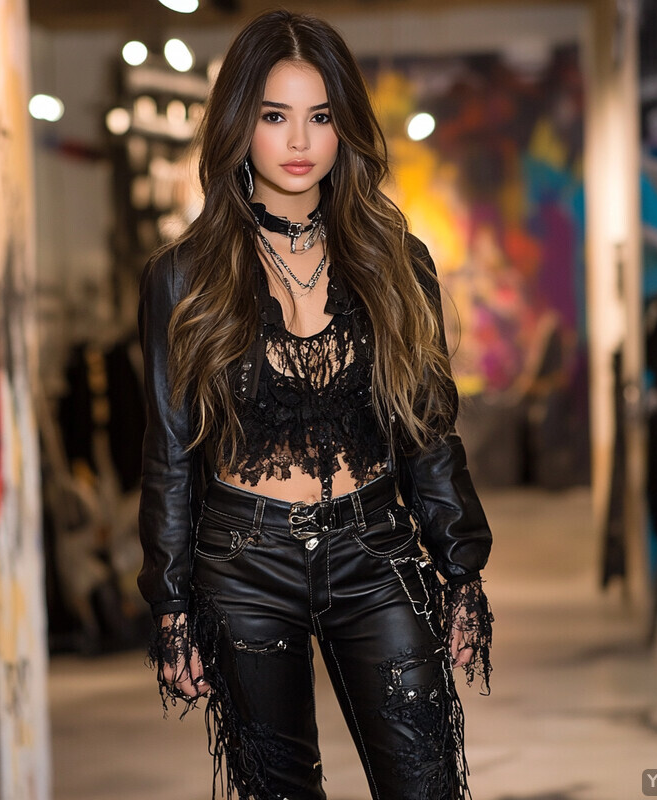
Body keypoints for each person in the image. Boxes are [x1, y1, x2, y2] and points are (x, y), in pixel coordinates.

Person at [137, 10, 493, 800]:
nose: (299, 142)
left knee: (426, 782)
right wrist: (169, 605)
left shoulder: (395, 261)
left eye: (321, 117)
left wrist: (461, 568)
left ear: (344, 130)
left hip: (376, 551)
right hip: (242, 563)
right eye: (275, 116)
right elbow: (169, 452)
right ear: (241, 125)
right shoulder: (182, 277)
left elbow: (428, 430)